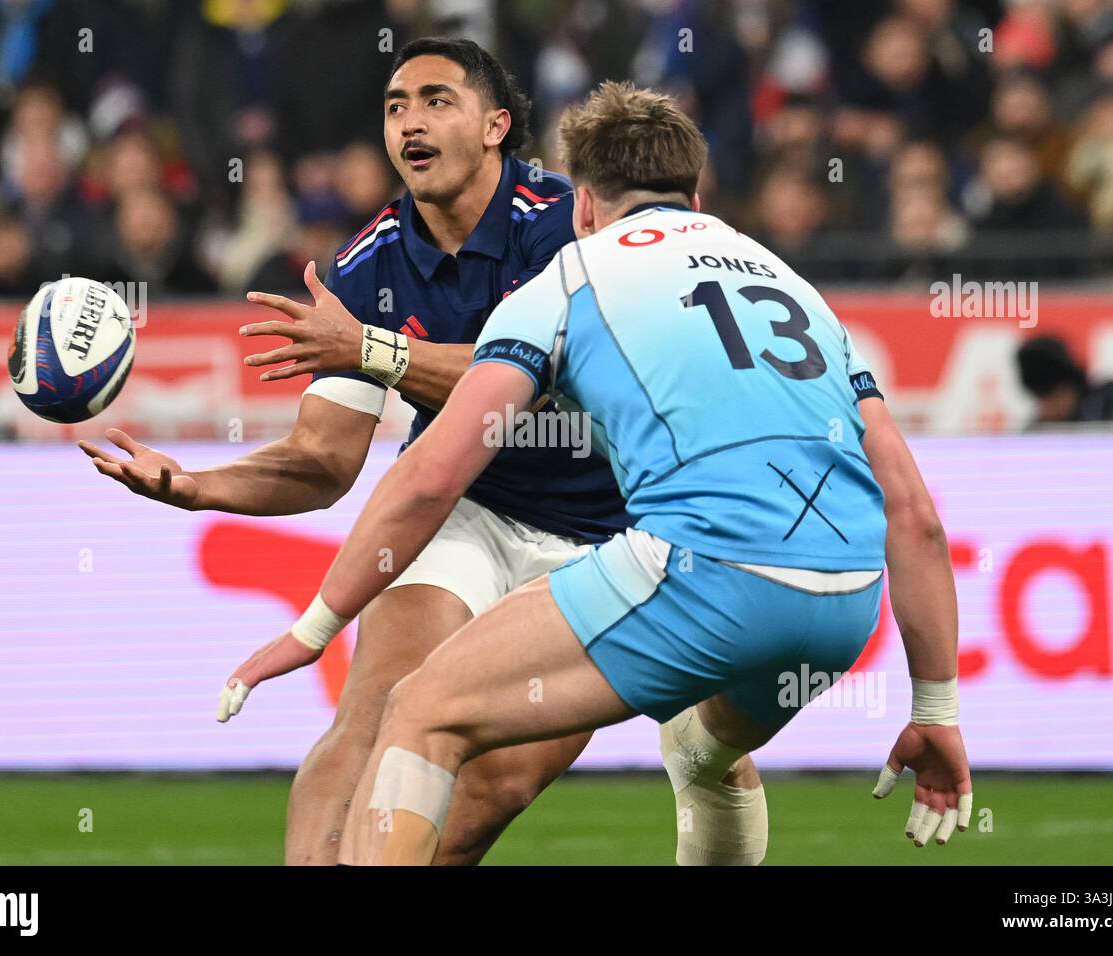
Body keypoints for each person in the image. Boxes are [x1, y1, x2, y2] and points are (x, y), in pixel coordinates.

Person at [225, 80, 972, 865]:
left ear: (582, 205)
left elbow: (431, 476)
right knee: (703, 754)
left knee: (418, 712)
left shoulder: (570, 278)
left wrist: (315, 628)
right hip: (845, 603)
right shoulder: (793, 287)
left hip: (708, 572)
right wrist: (936, 708)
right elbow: (915, 515)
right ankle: (700, 749)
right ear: (695, 195)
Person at [84, 40, 754, 866]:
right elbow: (324, 460)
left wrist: (373, 349)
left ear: (496, 126)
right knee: (374, 713)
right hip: (462, 507)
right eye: (396, 106)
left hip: (606, 537)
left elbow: (537, 377)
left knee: (496, 781)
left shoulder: (570, 222)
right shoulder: (367, 265)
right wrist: (197, 484)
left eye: (437, 100)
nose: (410, 122)